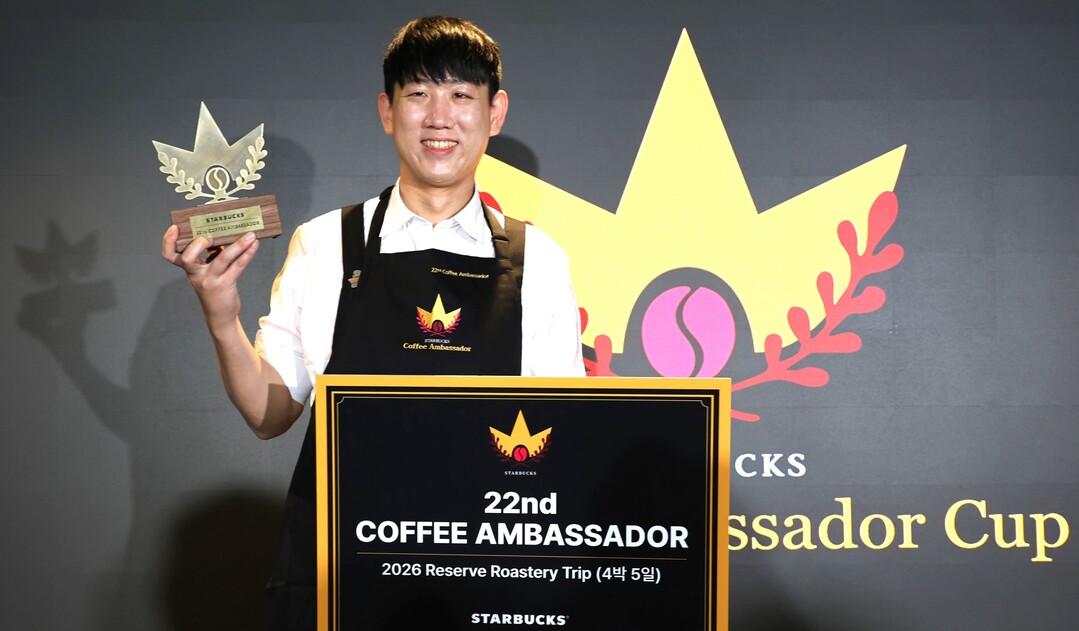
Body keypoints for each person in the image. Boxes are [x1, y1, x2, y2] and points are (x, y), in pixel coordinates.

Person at [161, 15, 584, 630]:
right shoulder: (324, 243)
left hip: (481, 571)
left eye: (461, 95)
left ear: (494, 114)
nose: (439, 117)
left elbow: (562, 432)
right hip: (339, 569)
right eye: (418, 94)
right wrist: (221, 315)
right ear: (387, 111)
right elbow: (268, 414)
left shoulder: (537, 259)